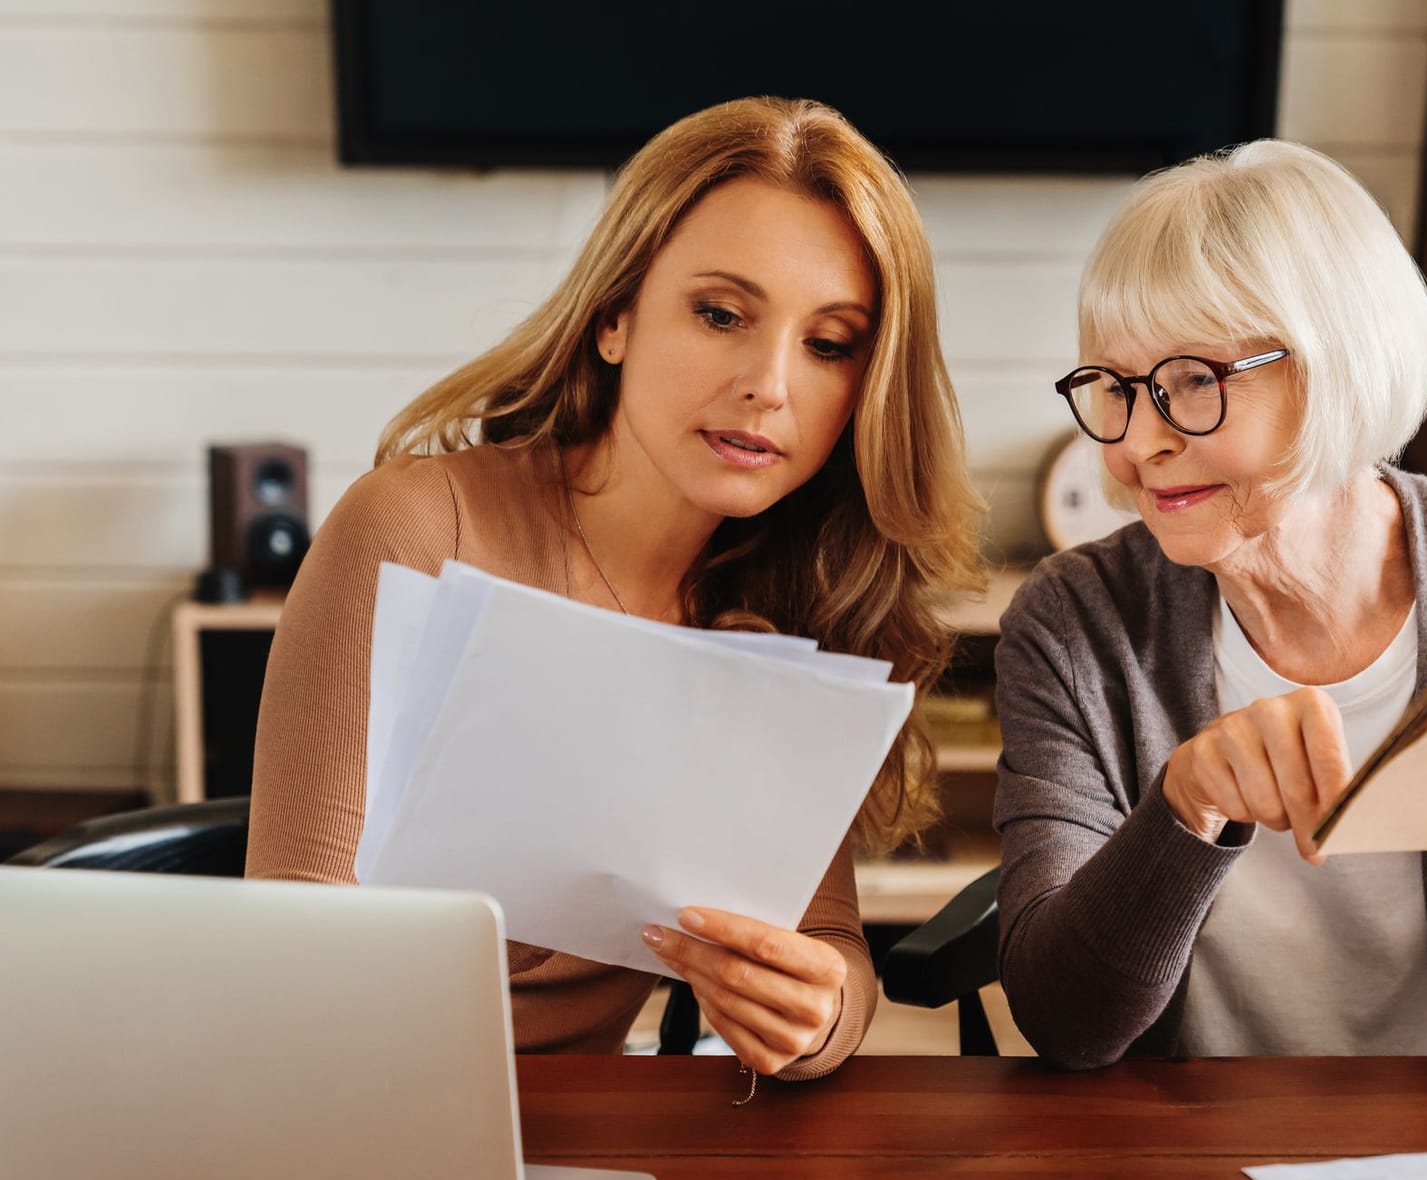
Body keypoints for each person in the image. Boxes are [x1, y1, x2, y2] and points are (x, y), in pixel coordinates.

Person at [247, 97, 982, 1077]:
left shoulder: (791, 596)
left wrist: (811, 1014)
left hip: (583, 1143)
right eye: (721, 314)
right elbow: (292, 950)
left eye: (830, 342)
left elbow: (836, 949)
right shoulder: (420, 527)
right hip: (348, 1115)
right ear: (613, 318)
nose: (770, 383)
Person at [994, 140, 1427, 1088]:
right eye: (1116, 389)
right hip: (1183, 1152)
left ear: (1337, 366)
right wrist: (1185, 806)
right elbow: (1066, 1024)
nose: (1139, 442)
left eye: (1195, 381)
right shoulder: (1078, 621)